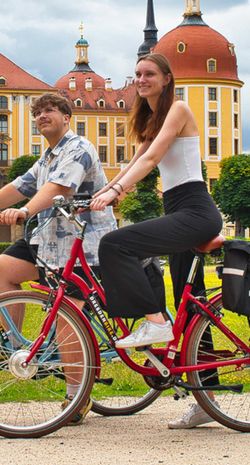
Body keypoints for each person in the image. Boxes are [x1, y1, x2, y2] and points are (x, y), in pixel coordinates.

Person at [0, 92, 116, 425]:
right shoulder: (46, 156)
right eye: (37, 113)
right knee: (5, 267)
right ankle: (15, 347)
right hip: (48, 242)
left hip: (83, 246)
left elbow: (57, 190)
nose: (42, 116)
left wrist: (24, 211)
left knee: (67, 316)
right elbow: (20, 186)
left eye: (49, 110)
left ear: (66, 118)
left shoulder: (79, 148)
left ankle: (77, 396)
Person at [90, 53, 223, 429]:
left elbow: (152, 158)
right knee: (193, 309)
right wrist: (97, 196)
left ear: (167, 78)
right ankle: (205, 399)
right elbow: (134, 162)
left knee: (116, 245)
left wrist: (115, 191)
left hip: (195, 210)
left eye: (149, 74)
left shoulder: (178, 109)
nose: (141, 79)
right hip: (177, 210)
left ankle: (154, 321)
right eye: (137, 75)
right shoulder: (148, 117)